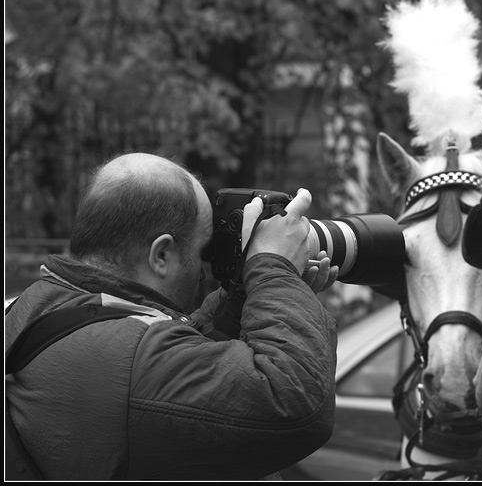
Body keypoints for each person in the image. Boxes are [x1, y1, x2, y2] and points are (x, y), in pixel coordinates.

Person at [5, 152, 340, 480]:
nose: (205, 265)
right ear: (161, 255)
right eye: (203, 250)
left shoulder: (42, 306)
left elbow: (175, 352)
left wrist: (251, 292)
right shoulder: (132, 363)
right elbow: (294, 400)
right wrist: (272, 269)